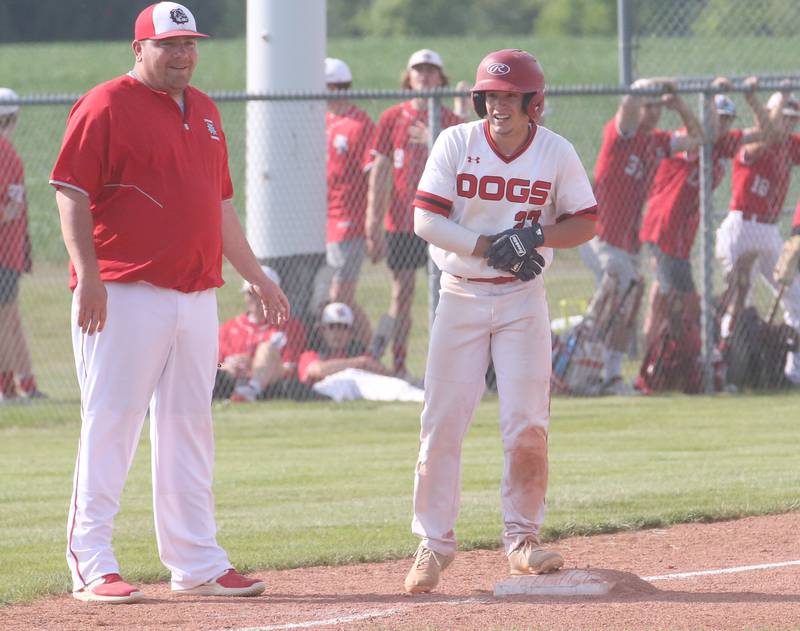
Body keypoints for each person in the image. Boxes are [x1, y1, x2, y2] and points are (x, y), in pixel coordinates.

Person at [50, 2, 289, 604]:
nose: (183, 55)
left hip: (195, 293)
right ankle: (91, 563)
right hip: (124, 290)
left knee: (189, 428)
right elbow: (70, 193)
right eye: (169, 45)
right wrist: (89, 275)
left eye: (189, 44)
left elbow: (221, 204)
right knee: (111, 424)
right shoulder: (104, 103)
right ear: (140, 49)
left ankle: (197, 562)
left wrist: (255, 274)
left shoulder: (205, 109)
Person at [403, 49, 597, 594]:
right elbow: (425, 219)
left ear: (534, 102)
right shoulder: (456, 142)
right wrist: (491, 246)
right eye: (491, 96)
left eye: (510, 97)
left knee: (526, 423)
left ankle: (522, 541)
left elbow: (584, 221)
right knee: (442, 423)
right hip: (460, 295)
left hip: (522, 301)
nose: (499, 106)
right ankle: (434, 543)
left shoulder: (555, 151)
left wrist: (534, 235)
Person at [580, 77, 703, 394]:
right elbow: (627, 106)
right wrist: (650, 84)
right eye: (648, 107)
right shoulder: (622, 134)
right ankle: (594, 371)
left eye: (656, 108)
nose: (652, 113)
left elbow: (697, 139)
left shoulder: (656, 141)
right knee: (618, 295)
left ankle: (608, 374)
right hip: (602, 236)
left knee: (626, 304)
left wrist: (678, 105)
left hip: (628, 243)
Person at [638, 77, 770, 350]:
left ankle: (662, 354)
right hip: (665, 225)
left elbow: (766, 131)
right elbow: (702, 133)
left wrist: (751, 98)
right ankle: (663, 355)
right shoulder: (693, 141)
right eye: (718, 117)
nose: (723, 124)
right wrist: (711, 95)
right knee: (677, 299)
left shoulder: (727, 142)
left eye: (727, 119)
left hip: (683, 232)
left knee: (663, 295)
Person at [366, 49, 462, 383]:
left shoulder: (452, 123)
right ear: (409, 77)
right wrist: (373, 223)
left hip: (443, 223)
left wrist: (432, 139)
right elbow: (379, 170)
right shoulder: (393, 117)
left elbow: (466, 171)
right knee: (401, 294)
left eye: (431, 71)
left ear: (441, 78)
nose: (425, 77)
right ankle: (399, 363)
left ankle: (445, 369)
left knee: (448, 296)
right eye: (419, 71)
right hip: (404, 223)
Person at [715, 90, 800, 385]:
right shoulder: (750, 139)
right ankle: (727, 371)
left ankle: (793, 372)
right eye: (782, 116)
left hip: (769, 229)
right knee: (739, 300)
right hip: (742, 225)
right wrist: (760, 103)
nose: (787, 124)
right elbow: (765, 139)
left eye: (792, 119)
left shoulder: (790, 144)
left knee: (797, 297)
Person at [324, 58, 375, 347]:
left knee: (340, 297)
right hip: (324, 219)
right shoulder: (323, 119)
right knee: (331, 296)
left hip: (348, 220)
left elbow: (373, 176)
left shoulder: (358, 124)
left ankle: (368, 350)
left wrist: (370, 222)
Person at [0, 87, 44, 402]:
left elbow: (8, 209)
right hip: (10, 252)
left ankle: (10, 387)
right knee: (9, 319)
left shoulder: (5, 153)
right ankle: (21, 384)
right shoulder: (7, 152)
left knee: (7, 319)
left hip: (5, 253)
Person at [215, 265, 306, 402]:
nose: (256, 299)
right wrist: (228, 366)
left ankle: (250, 391)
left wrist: (254, 365)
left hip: (271, 385)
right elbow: (215, 365)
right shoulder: (229, 327)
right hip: (230, 381)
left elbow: (290, 368)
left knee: (267, 348)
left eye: (262, 294)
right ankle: (242, 394)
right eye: (251, 294)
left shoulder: (289, 326)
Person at [297, 302, 388, 385]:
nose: (337, 333)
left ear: (351, 333)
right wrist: (358, 363)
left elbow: (383, 372)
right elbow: (319, 370)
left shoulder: (356, 351)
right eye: (332, 327)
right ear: (322, 330)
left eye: (343, 327)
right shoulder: (311, 353)